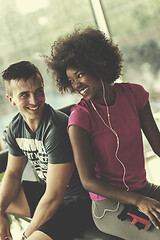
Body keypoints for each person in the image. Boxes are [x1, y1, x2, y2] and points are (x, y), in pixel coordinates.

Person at [46, 27, 160, 240]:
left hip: (143, 189)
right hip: (109, 207)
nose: (76, 84)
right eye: (71, 80)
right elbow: (88, 181)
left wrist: (140, 197)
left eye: (79, 75)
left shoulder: (135, 95)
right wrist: (137, 201)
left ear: (98, 65)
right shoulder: (80, 119)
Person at [0, 61, 91, 240]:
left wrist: (26, 235)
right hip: (48, 194)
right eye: (25, 95)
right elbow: (13, 174)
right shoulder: (16, 127)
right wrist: (0, 213)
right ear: (11, 99)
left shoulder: (56, 128)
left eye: (39, 91)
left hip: (77, 203)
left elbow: (54, 195)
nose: (35, 101)